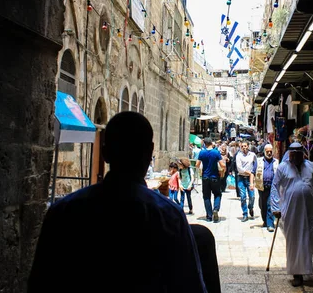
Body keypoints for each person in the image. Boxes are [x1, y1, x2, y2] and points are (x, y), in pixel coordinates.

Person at [28, 112, 210, 292]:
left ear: (105, 153)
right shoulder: (169, 215)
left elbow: (41, 281)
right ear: (149, 153)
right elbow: (191, 284)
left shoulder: (64, 211)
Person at [270, 142, 313, 287]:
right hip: (291, 210)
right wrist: (276, 207)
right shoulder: (283, 167)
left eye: (298, 153)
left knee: (311, 238)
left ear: (302, 154)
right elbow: (274, 187)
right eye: (292, 153)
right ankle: (297, 274)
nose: (295, 156)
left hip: (309, 209)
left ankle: (305, 266)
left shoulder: (310, 167)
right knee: (294, 241)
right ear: (289, 153)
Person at [197, 137, 224, 223]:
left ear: (204, 144)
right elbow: (222, 164)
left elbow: (197, 165)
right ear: (211, 143)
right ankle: (215, 209)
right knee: (217, 194)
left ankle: (209, 216)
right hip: (215, 177)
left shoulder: (201, 152)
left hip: (205, 177)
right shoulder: (216, 152)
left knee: (206, 196)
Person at [255, 144, 279, 232]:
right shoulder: (259, 161)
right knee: (263, 205)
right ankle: (265, 221)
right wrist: (251, 183)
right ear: (264, 152)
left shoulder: (276, 162)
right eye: (267, 151)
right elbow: (253, 172)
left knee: (270, 205)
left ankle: (270, 224)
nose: (269, 153)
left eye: (270, 151)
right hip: (261, 187)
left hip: (272, 187)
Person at [236, 140, 257, 222]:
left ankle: (250, 207)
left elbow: (256, 165)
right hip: (241, 178)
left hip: (250, 179)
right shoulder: (238, 156)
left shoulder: (252, 155)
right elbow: (239, 168)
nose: (244, 148)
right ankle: (245, 213)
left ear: (248, 146)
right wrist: (249, 172)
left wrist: (254, 174)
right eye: (242, 146)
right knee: (243, 197)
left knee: (252, 196)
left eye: (245, 146)